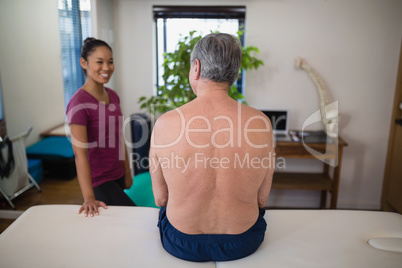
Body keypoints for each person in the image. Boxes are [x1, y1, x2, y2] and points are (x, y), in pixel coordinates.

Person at [150, 33, 275, 262]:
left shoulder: (165, 123)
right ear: (234, 74)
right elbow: (262, 200)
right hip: (243, 241)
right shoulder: (262, 124)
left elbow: (160, 199)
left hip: (181, 242)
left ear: (195, 67)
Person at [66, 38, 135, 217]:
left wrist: (127, 171)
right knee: (134, 217)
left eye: (110, 62)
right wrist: (88, 197)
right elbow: (80, 156)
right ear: (84, 63)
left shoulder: (113, 96)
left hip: (117, 174)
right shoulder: (78, 104)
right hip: (98, 181)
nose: (106, 68)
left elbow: (119, 137)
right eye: (99, 62)